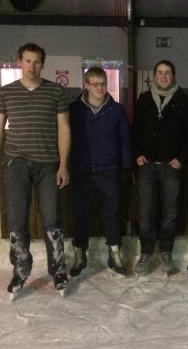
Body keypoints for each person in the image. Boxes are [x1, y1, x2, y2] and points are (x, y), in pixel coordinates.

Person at [0, 42, 70, 296]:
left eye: (37, 61)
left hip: (48, 164)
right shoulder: (6, 92)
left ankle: (58, 270)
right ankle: (20, 269)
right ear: (19, 62)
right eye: (27, 60)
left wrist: (63, 164)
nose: (32, 66)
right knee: (17, 219)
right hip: (16, 163)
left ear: (43, 64)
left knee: (51, 219)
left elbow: (64, 128)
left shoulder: (55, 92)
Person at [133, 60, 188, 275]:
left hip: (171, 167)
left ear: (174, 76)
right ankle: (146, 253)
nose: (163, 76)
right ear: (154, 76)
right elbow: (135, 129)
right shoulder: (144, 99)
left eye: (167, 72)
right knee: (145, 214)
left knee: (170, 214)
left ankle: (166, 252)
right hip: (147, 166)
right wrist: (137, 153)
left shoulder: (184, 101)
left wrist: (182, 158)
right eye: (160, 73)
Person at [69, 66, 131, 277]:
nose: (100, 88)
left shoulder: (116, 110)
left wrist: (125, 167)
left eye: (103, 84)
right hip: (82, 170)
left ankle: (115, 253)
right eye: (95, 84)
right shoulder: (74, 109)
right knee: (81, 212)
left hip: (109, 170)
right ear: (86, 85)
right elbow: (66, 138)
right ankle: (79, 253)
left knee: (113, 213)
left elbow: (124, 139)